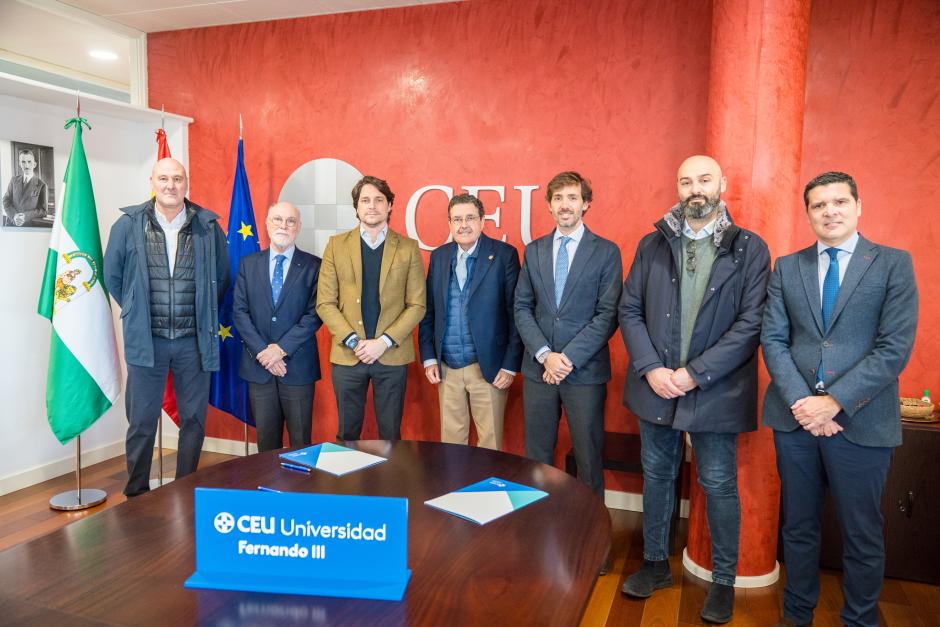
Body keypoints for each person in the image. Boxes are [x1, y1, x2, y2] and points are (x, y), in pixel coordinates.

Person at [762, 172, 918, 627]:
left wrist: (834, 402)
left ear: (858, 206)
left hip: (863, 422)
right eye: (818, 205)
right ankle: (796, 617)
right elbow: (773, 340)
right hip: (795, 422)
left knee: (862, 534)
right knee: (798, 529)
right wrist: (804, 404)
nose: (829, 211)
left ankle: (860, 620)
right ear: (807, 212)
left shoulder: (892, 263)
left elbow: (894, 347)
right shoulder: (788, 267)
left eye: (839, 202)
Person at [619, 155, 770, 624]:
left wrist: (693, 374)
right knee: (657, 476)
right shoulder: (653, 244)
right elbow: (629, 310)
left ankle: (723, 581)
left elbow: (751, 324)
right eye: (686, 181)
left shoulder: (750, 248)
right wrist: (651, 369)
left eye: (704, 179)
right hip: (655, 386)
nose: (695, 189)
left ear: (722, 183)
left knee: (719, 483)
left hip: (716, 387)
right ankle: (654, 565)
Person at [104, 158, 228, 497]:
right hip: (147, 340)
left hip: (193, 342)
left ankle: (186, 486)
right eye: (164, 178)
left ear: (186, 183)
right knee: (142, 422)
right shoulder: (128, 225)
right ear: (152, 182)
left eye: (177, 178)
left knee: (193, 421)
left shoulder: (207, 225)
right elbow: (112, 275)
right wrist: (134, 306)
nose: (170, 185)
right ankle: (136, 492)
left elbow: (221, 278)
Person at [514, 171, 622, 496]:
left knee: (588, 458)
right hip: (538, 371)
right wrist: (546, 356)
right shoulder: (533, 251)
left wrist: (567, 359)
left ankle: (591, 536)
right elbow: (521, 307)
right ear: (549, 205)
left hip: (584, 372)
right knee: (537, 458)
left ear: (585, 204)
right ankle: (538, 522)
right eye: (558, 198)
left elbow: (608, 314)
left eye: (572, 198)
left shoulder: (606, 252)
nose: (565, 205)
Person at [316, 175, 425, 440]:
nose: (372, 205)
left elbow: (417, 305)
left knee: (390, 434)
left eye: (379, 200)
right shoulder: (336, 246)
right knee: (347, 433)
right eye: (365, 200)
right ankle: (346, 483)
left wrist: (383, 342)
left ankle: (390, 482)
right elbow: (325, 303)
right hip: (348, 354)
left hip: (391, 354)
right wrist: (355, 342)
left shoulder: (408, 248)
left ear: (389, 206)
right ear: (356, 207)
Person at [418, 193, 522, 450]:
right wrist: (429, 356)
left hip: (489, 369)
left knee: (491, 444)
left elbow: (516, 312)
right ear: (450, 224)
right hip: (447, 368)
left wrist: (509, 365)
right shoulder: (440, 256)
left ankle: (490, 491)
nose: (463, 224)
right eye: (457, 219)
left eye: (470, 218)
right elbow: (429, 310)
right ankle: (455, 490)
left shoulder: (504, 255)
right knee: (451, 446)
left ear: (482, 221)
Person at [233, 201, 322, 451]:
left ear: (298, 227)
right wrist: (265, 352)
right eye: (278, 219)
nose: (284, 225)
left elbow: (315, 314)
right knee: (266, 444)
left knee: (301, 443)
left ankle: (302, 490)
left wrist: (280, 350)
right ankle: (268, 489)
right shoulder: (248, 264)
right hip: (259, 368)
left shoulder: (315, 266)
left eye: (290, 221)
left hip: (298, 368)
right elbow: (239, 312)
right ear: (267, 223)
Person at [3, 148, 48, 227]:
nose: (26, 165)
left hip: (29, 226)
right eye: (23, 162)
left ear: (34, 164)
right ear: (20, 164)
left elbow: (43, 210)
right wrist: (14, 215)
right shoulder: (14, 180)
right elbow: (6, 200)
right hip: (11, 224)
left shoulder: (42, 185)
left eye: (29, 162)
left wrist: (25, 216)